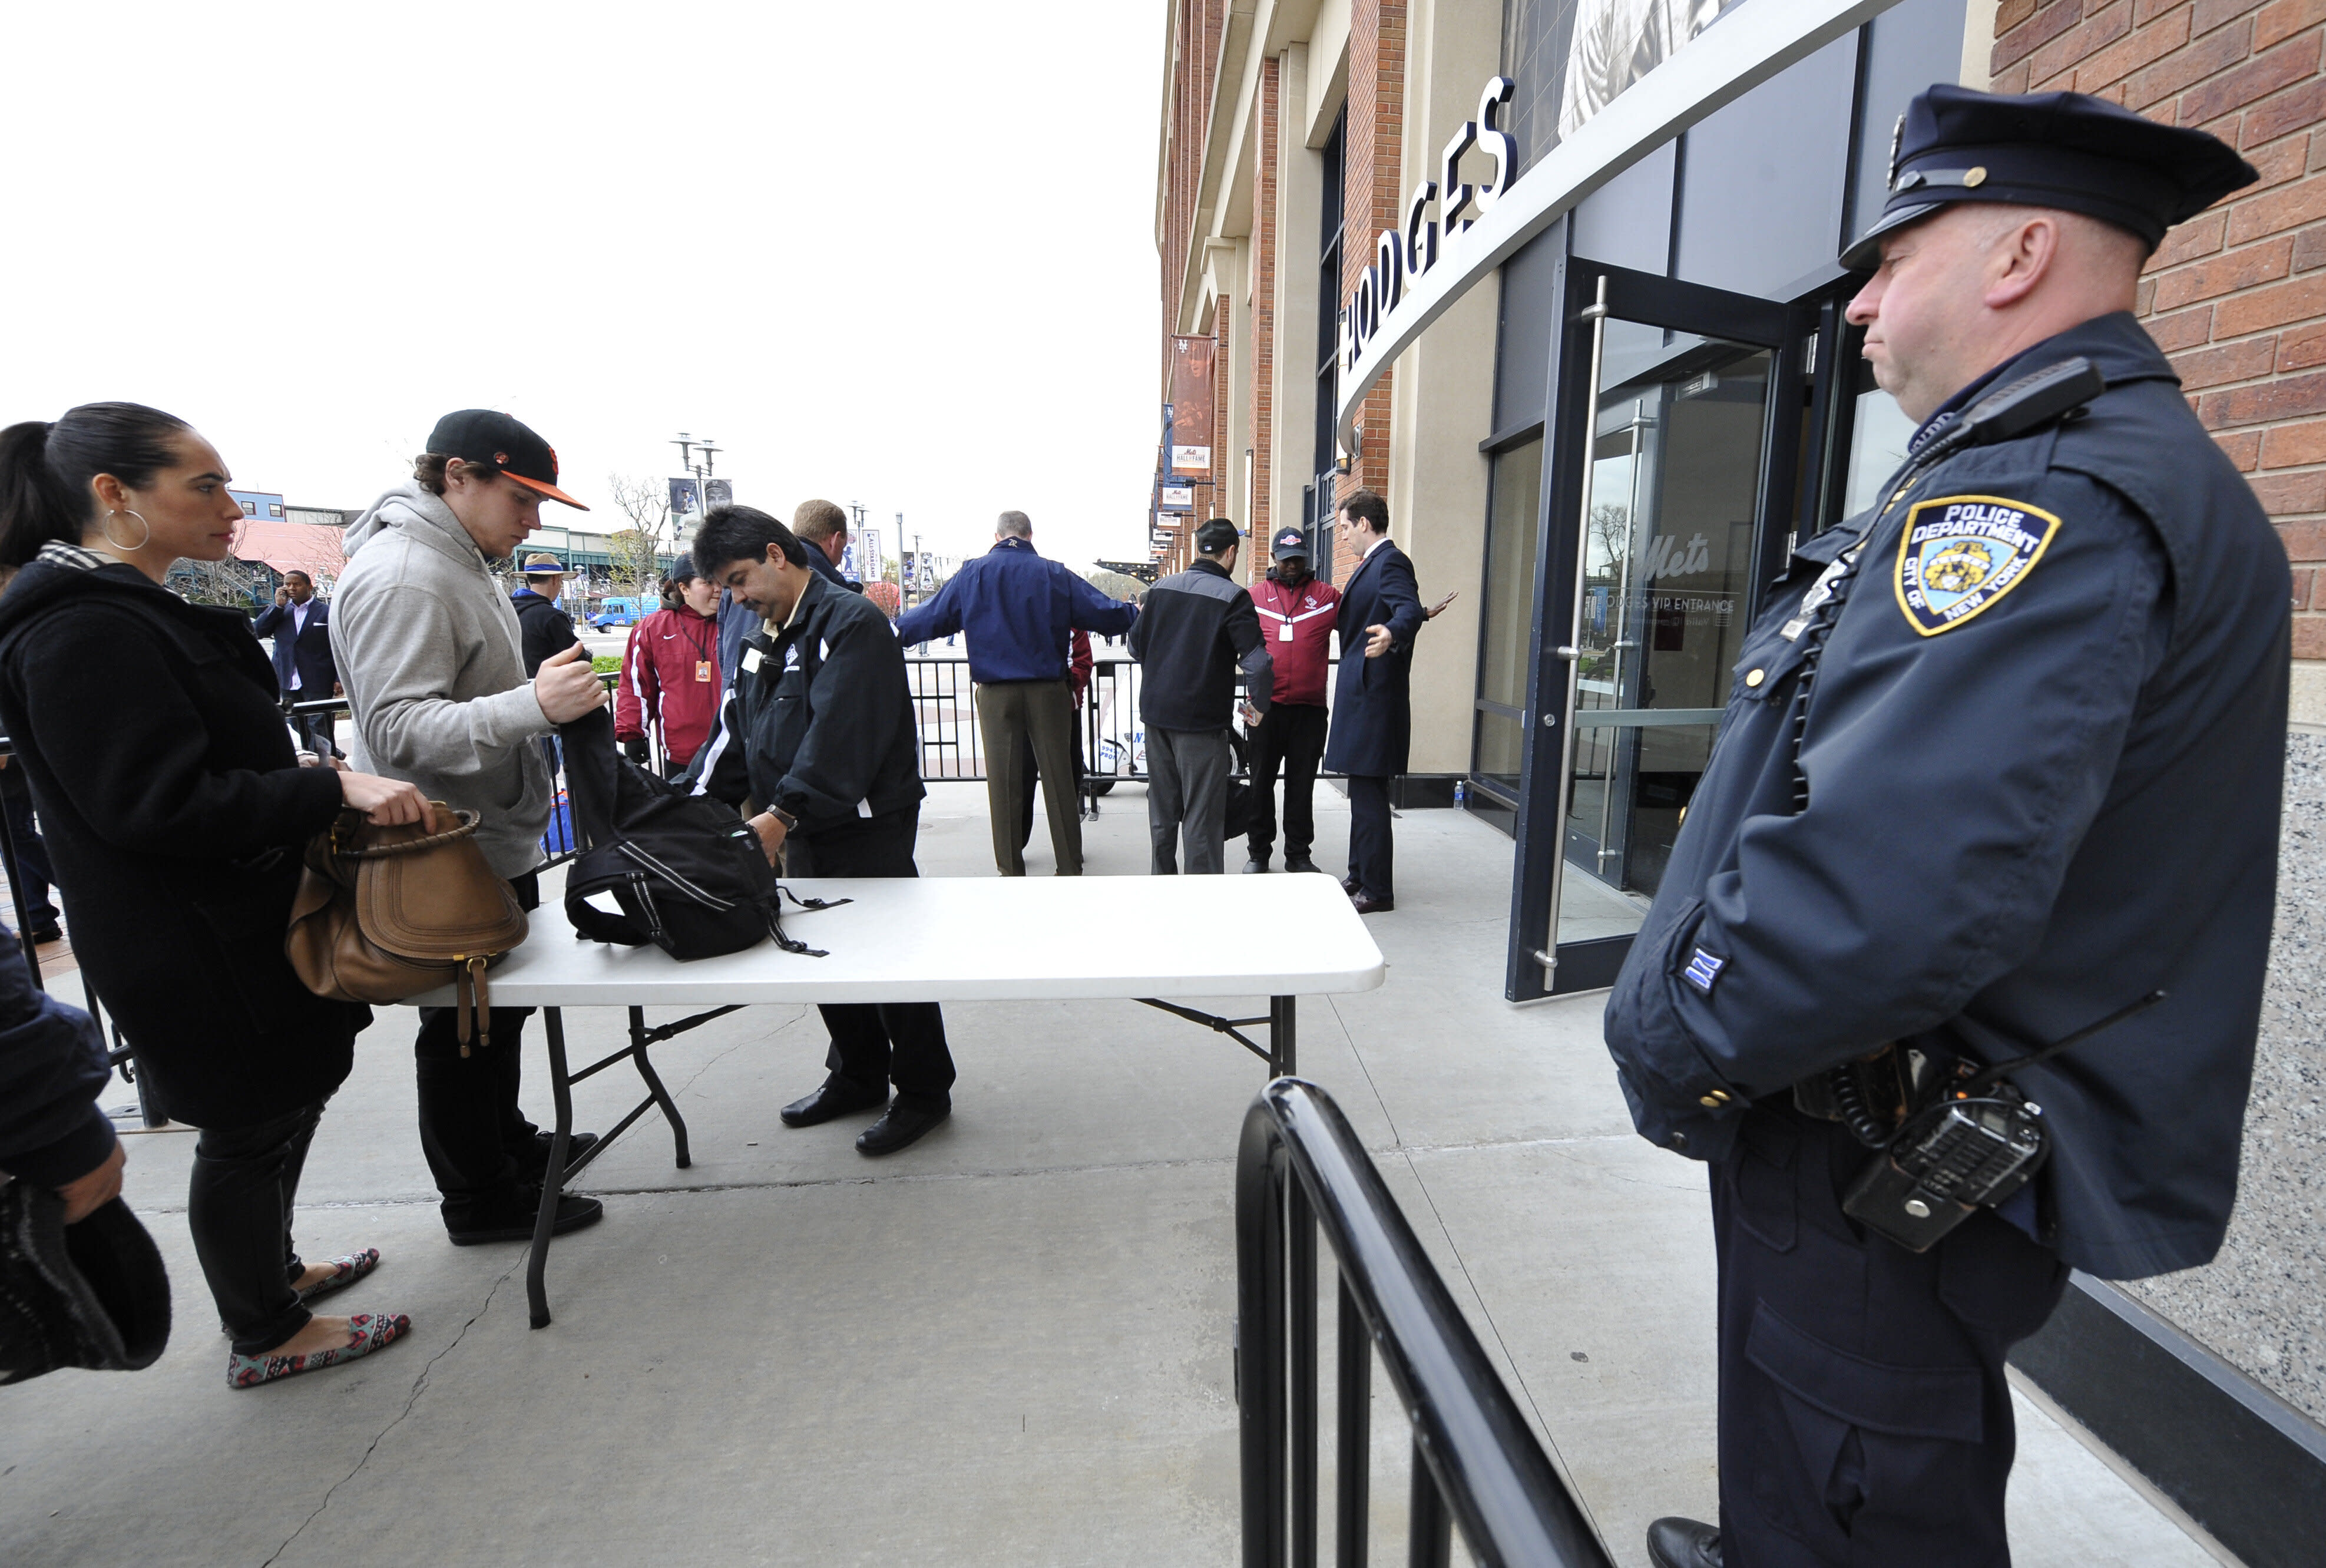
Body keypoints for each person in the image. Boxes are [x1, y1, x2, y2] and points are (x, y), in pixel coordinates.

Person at [1610, 87, 2281, 1568]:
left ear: (2020, 251)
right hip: (1864, 1112)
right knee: (1824, 1453)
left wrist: (1670, 1035)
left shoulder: (2046, 488)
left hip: (1870, 1126)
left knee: (1857, 1477)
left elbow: (1884, 897)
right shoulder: (2039, 460)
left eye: (1889, 257)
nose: (1856, 306)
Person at [0, 402, 429, 1386]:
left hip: (239, 921)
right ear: (114, 495)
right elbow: (156, 804)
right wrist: (328, 785)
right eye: (205, 487)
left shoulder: (151, 589)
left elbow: (263, 604)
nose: (231, 507)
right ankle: (264, 1329)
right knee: (246, 1127)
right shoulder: (78, 627)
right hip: (189, 942)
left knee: (287, 1100)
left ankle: (273, 1272)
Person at [332, 409, 609, 1246]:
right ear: (457, 475)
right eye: (521, 498)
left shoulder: (459, 559)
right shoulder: (409, 574)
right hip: (446, 847)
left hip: (482, 833)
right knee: (462, 1027)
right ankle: (480, 1197)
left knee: (496, 1015)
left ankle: (507, 1145)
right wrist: (532, 704)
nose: (534, 520)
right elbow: (400, 729)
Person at [681, 505, 955, 1156]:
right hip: (798, 823)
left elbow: (842, 738)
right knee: (827, 954)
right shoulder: (763, 636)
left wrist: (780, 814)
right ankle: (857, 1073)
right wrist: (682, 807)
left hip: (863, 824)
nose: (739, 599)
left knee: (889, 958)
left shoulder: (852, 623)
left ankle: (922, 1090)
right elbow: (733, 735)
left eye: (742, 579)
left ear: (778, 554)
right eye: (727, 589)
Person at [895, 511, 1137, 876]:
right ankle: (1069, 867)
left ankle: (1011, 871)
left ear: (996, 535)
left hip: (996, 694)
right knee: (1059, 780)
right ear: (1029, 535)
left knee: (1004, 785)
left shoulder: (972, 573)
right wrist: (1140, 614)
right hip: (1049, 691)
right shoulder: (1055, 573)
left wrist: (891, 632)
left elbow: (932, 617)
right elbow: (1103, 612)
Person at [1129, 517, 1272, 875]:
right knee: (1202, 819)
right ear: (1232, 553)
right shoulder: (1233, 598)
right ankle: (1202, 905)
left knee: (1162, 814)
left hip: (1156, 717)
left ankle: (1162, 886)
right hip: (1202, 725)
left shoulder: (1160, 589)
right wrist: (1257, 709)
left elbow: (1134, 646)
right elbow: (1258, 665)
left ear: (1198, 549)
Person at [1322, 491, 1423, 912]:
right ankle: (1359, 873)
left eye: (1345, 526)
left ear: (1364, 523)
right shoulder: (1373, 565)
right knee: (1361, 794)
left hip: (1374, 700)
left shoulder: (1390, 561)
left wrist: (1393, 632)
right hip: (1364, 696)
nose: (1342, 536)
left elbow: (1408, 609)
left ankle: (1377, 890)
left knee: (1368, 797)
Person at [1244, 526, 1340, 875]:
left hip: (1308, 711)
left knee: (1302, 787)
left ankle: (1298, 854)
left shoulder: (1327, 596)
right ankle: (1259, 853)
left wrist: (1410, 615)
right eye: (1285, 561)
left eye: (1298, 559)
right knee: (1260, 784)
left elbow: (1363, 621)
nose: (1292, 566)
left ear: (1307, 559)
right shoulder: (1254, 596)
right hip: (1262, 709)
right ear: (1273, 560)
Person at [615, 563, 723, 773]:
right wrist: (633, 734)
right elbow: (636, 684)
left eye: (720, 581)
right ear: (684, 588)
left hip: (734, 750)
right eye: (708, 582)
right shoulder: (652, 629)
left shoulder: (735, 622)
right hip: (682, 754)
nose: (718, 588)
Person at [250, 568, 340, 756]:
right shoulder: (280, 611)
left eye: (296, 584)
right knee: (294, 721)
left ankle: (325, 765)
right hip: (287, 678)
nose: (291, 588)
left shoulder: (326, 612)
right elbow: (258, 631)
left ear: (309, 587)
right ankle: (329, 755)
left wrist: (339, 677)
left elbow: (338, 646)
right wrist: (277, 606)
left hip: (318, 679)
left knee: (318, 724)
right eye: (287, 584)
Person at [1018, 627, 1092, 852]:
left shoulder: (1071, 619)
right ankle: (1015, 844)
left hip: (1064, 709)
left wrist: (1064, 684)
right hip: (1022, 711)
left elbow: (1083, 662)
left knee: (1068, 777)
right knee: (1020, 780)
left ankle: (1069, 847)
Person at [510, 552, 580, 677]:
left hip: (521, 690)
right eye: (561, 582)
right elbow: (577, 656)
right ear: (555, 579)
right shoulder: (552, 617)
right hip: (551, 690)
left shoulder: (509, 611)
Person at [791, 498, 862, 593]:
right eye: (843, 548)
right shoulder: (832, 593)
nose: (840, 560)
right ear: (835, 541)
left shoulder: (774, 573)